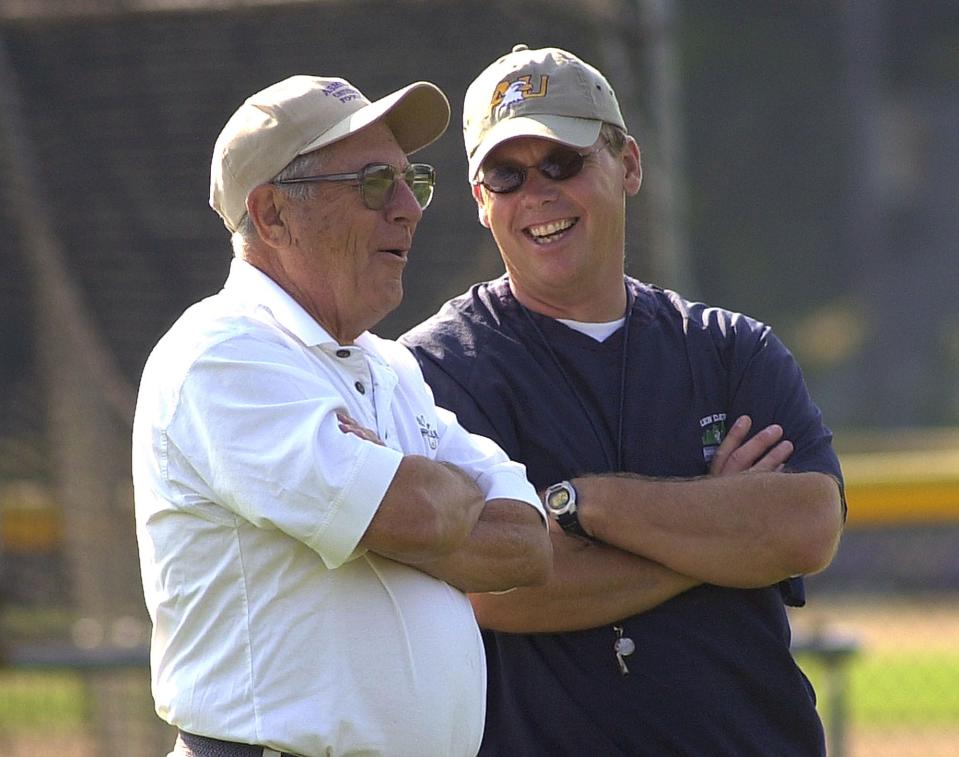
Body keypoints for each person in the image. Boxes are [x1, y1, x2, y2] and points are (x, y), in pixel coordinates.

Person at [401, 45, 846, 756]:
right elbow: (494, 591)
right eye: (506, 175)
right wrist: (716, 531)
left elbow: (805, 527)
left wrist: (581, 505)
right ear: (481, 201)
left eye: (562, 162)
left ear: (628, 164)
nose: (536, 193)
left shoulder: (731, 349)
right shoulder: (432, 370)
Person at [132, 74, 552, 757]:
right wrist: (427, 494)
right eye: (370, 184)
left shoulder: (388, 365)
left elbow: (526, 543)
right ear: (270, 215)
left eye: (409, 181)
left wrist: (394, 489)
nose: (408, 210)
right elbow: (424, 511)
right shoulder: (222, 351)